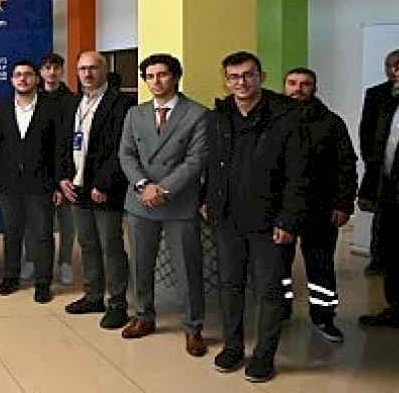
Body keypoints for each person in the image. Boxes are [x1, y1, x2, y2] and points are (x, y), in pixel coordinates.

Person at [204, 51, 313, 383]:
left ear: (261, 77)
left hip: (270, 221)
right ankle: (233, 346)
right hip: (227, 218)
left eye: (248, 75)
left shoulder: (286, 115)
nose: (241, 82)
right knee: (229, 285)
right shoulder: (219, 115)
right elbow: (211, 164)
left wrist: (289, 219)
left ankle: (264, 354)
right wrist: (207, 199)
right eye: (234, 77)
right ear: (226, 80)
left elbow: (299, 174)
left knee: (269, 290)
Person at [118, 54, 209, 356]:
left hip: (179, 203)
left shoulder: (197, 114)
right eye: (150, 76)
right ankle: (143, 316)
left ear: (176, 77)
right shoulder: (135, 113)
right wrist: (143, 185)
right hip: (140, 202)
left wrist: (163, 189)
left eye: (162, 75)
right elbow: (126, 154)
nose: (156, 81)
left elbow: (196, 160)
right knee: (140, 265)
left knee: (187, 268)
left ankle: (193, 328)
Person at [279, 67, 357, 343]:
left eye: (305, 84)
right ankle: (280, 310)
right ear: (284, 86)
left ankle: (324, 317)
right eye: (292, 83)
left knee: (320, 266)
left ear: (314, 87)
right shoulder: (271, 119)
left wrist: (344, 203)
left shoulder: (331, 122)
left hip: (321, 208)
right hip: (281, 209)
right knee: (278, 265)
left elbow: (346, 165)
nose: (298, 88)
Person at [61, 51, 134, 327]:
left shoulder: (121, 103)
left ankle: (117, 303)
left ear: (104, 70)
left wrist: (105, 183)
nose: (87, 74)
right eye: (82, 69)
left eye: (93, 68)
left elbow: (121, 148)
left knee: (111, 247)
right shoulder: (74, 103)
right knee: (87, 243)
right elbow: (64, 143)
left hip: (105, 188)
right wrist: (63, 177)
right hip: (77, 186)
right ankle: (93, 296)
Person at [358, 49, 399, 344]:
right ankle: (398, 309)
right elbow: (376, 150)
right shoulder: (389, 104)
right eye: (398, 68)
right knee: (393, 255)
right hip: (390, 193)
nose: (398, 73)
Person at [0, 60, 70, 302]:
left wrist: (58, 183)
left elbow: (60, 147)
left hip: (41, 182)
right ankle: (11, 277)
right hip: (9, 183)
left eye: (28, 74)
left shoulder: (51, 108)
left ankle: (43, 282)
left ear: (37, 79)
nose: (23, 79)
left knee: (43, 234)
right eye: (18, 75)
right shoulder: (1, 108)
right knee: (11, 232)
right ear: (12, 80)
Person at [361, 49, 399, 275]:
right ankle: (378, 259)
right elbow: (367, 130)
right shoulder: (376, 94)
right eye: (390, 65)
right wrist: (371, 162)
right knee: (382, 218)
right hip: (382, 167)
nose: (394, 71)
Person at [38, 52, 77, 285]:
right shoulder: (33, 99)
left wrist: (65, 176)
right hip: (39, 173)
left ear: (62, 71)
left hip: (67, 172)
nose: (52, 72)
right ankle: (33, 260)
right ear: (41, 72)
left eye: (56, 68)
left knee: (67, 224)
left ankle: (65, 263)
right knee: (37, 224)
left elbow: (72, 141)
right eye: (47, 68)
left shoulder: (72, 100)